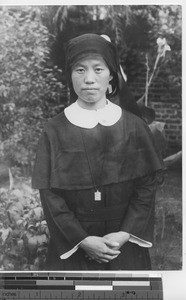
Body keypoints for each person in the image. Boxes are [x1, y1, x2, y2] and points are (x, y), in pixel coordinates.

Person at [32, 33, 163, 271]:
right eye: (80, 70)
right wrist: (82, 239)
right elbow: (49, 194)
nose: (89, 79)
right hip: (74, 246)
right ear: (70, 75)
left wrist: (124, 234)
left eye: (98, 69)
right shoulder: (54, 130)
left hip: (123, 246)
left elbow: (147, 186)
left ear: (111, 74)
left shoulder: (134, 127)